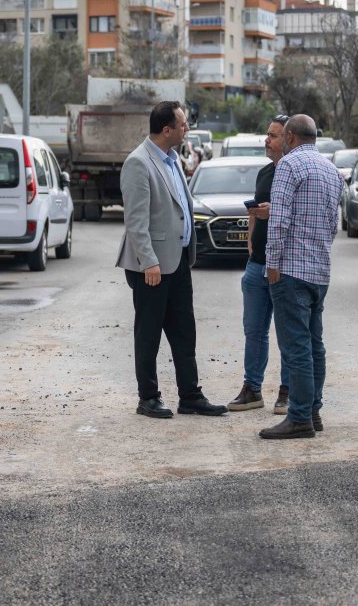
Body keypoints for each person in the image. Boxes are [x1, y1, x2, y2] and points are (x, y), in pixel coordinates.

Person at [117, 101, 227, 419]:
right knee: (148, 333)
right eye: (182, 124)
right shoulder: (139, 163)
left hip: (177, 260)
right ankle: (148, 397)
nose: (187, 128)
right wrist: (148, 261)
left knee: (184, 330)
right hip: (150, 266)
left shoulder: (173, 159)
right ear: (167, 130)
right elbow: (136, 222)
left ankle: (190, 395)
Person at [258, 115, 341, 439]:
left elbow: (278, 221)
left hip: (290, 270)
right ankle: (313, 411)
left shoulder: (289, 167)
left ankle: (300, 417)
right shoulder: (331, 170)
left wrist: (272, 264)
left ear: (290, 137)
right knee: (314, 345)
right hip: (319, 271)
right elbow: (334, 225)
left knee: (296, 348)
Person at [227, 114, 290, 414]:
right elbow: (255, 213)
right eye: (267, 134)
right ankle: (252, 389)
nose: (267, 140)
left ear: (289, 139)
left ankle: (287, 392)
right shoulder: (265, 173)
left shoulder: (295, 174)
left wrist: (273, 211)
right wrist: (251, 241)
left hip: (287, 265)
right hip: (256, 265)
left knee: (290, 333)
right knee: (254, 331)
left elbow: (301, 214)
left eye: (274, 135)